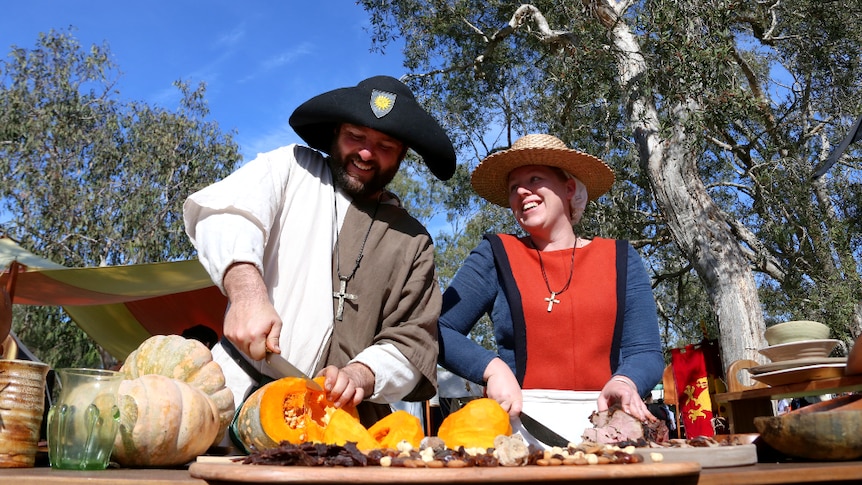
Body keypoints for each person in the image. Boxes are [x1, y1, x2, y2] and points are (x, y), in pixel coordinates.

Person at [183, 76, 456, 429]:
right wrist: (246, 294)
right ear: (335, 133)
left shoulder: (413, 241)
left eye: (385, 145)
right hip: (235, 396)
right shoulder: (290, 168)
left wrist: (361, 374)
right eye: (355, 136)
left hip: (346, 425)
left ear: (403, 155)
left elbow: (412, 341)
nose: (365, 153)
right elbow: (225, 214)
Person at [438, 134, 664, 447]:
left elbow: (646, 352)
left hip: (609, 433)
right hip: (521, 434)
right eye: (513, 186)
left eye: (535, 178)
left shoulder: (621, 259)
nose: (520, 191)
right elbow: (436, 328)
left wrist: (627, 380)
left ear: (569, 188)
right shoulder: (494, 254)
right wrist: (492, 369)